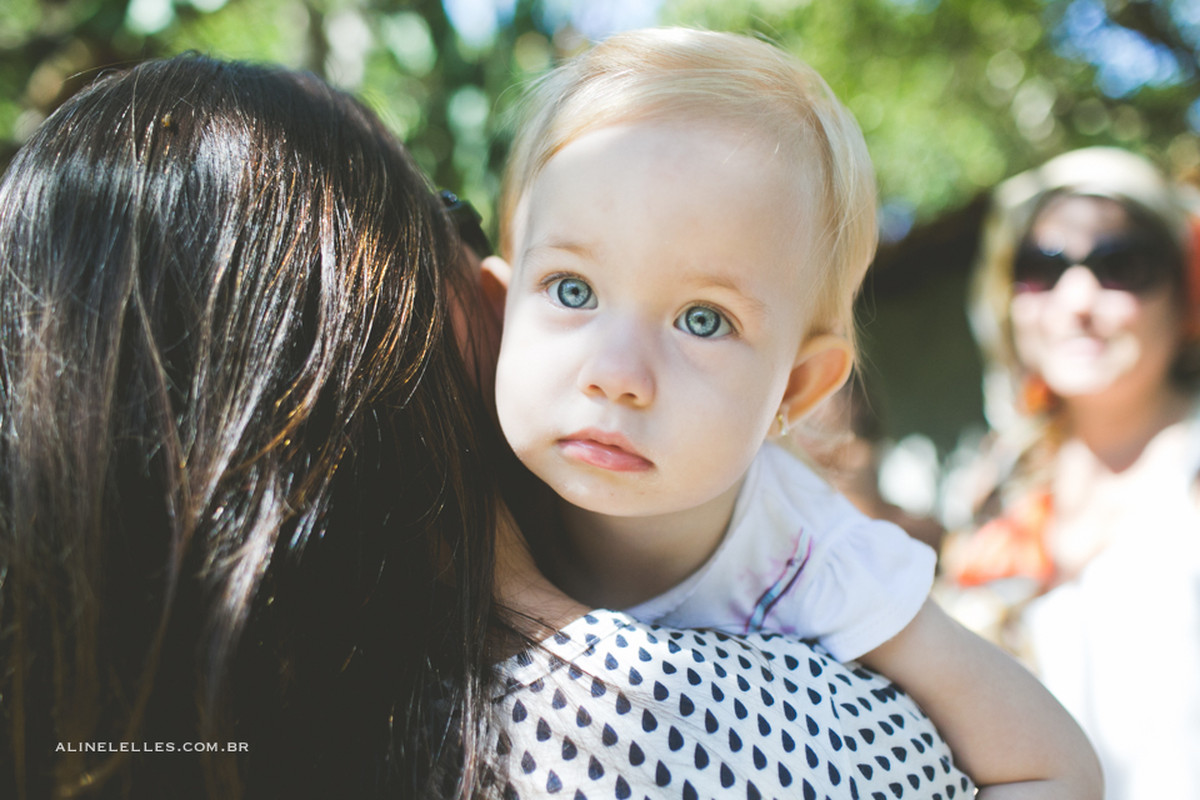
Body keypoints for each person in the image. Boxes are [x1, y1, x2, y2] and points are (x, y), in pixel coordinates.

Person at [0, 53, 975, 800]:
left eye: (702, 318)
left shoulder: (121, 736)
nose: (615, 368)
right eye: (449, 215)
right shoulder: (639, 722)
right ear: (355, 333)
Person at [483, 27, 1100, 798]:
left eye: (703, 319)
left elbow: (1057, 768)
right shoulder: (446, 477)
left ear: (797, 389)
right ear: (497, 312)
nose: (616, 375)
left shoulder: (814, 558)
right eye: (572, 289)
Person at [941, 146, 1200, 800]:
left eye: (1121, 266)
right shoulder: (991, 492)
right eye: (1042, 268)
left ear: (1185, 295)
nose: (1077, 300)